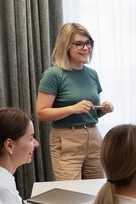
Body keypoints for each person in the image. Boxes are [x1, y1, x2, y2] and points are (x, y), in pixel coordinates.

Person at [36, 22, 114, 181]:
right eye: (79, 44)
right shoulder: (53, 74)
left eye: (88, 43)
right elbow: (41, 113)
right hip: (66, 140)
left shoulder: (92, 74)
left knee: (96, 190)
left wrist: (102, 110)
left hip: (93, 137)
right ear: (65, 46)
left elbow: (90, 113)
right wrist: (72, 108)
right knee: (71, 194)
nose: (85, 48)